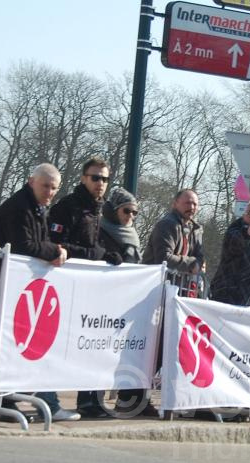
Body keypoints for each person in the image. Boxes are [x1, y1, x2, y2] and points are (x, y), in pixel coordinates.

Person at [0, 163, 79, 422]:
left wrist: (52, 250)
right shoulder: (19, 207)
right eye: (45, 186)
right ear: (31, 181)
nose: (49, 192)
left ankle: (6, 397)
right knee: (3, 341)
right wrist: (54, 253)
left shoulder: (36, 207)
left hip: (18, 288)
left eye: (54, 188)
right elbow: (24, 245)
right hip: (5, 285)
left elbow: (38, 242)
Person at [50, 157, 122, 418]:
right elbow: (58, 244)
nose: (100, 183)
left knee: (90, 344)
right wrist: (97, 255)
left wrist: (106, 254)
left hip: (89, 289)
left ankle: (89, 399)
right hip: (65, 287)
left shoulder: (99, 209)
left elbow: (92, 247)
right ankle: (50, 401)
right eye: (95, 177)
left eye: (104, 179)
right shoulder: (68, 206)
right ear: (83, 178)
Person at [98, 187, 157, 417]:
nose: (131, 216)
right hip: (106, 301)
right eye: (127, 211)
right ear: (114, 210)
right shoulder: (102, 230)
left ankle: (130, 398)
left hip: (128, 303)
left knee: (129, 353)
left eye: (135, 213)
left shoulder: (131, 233)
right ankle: (92, 399)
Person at [142, 189, 204, 278]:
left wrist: (194, 263)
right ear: (175, 204)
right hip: (155, 284)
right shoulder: (167, 225)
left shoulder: (196, 229)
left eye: (195, 204)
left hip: (179, 286)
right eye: (187, 203)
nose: (191, 207)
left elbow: (200, 259)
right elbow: (164, 258)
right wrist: (191, 264)